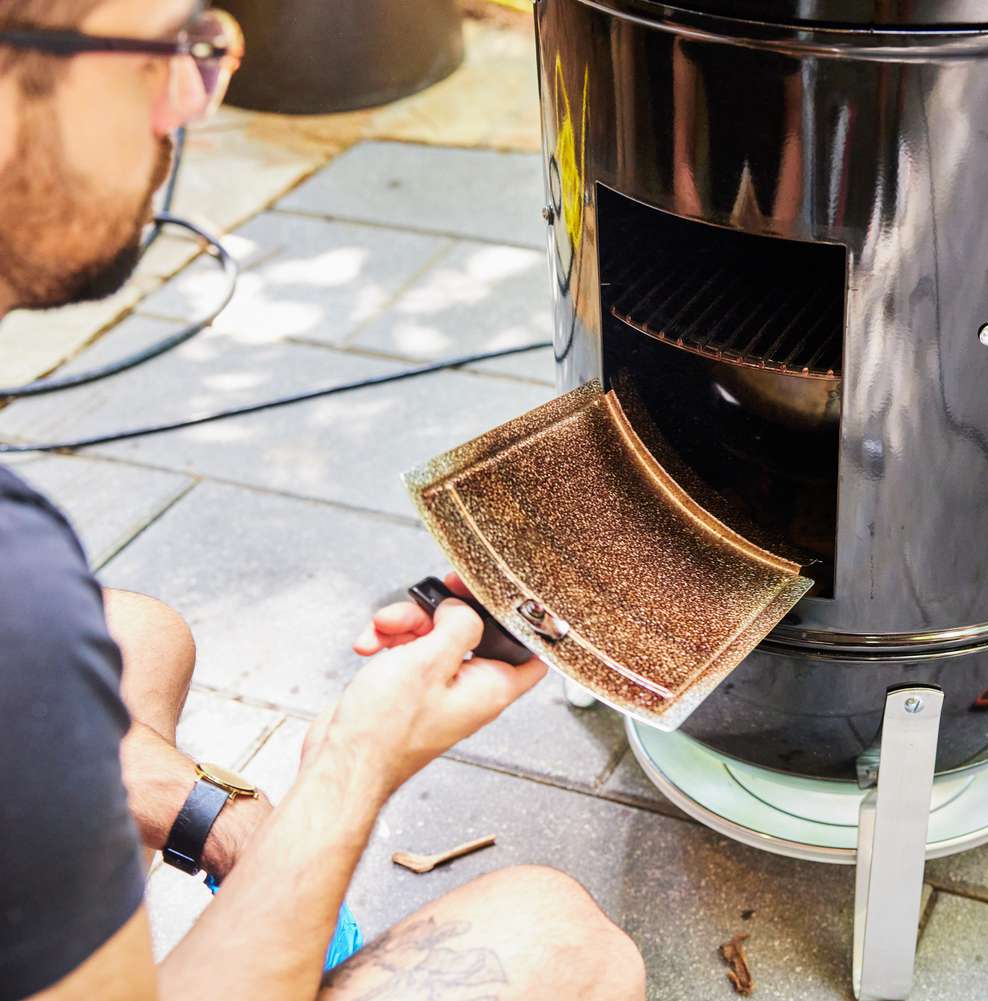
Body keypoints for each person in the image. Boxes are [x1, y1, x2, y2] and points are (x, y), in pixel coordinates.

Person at [0, 1, 647, 999]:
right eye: (164, 53)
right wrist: (352, 760)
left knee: (136, 636)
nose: (188, 108)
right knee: (558, 933)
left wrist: (228, 826)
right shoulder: (20, 593)